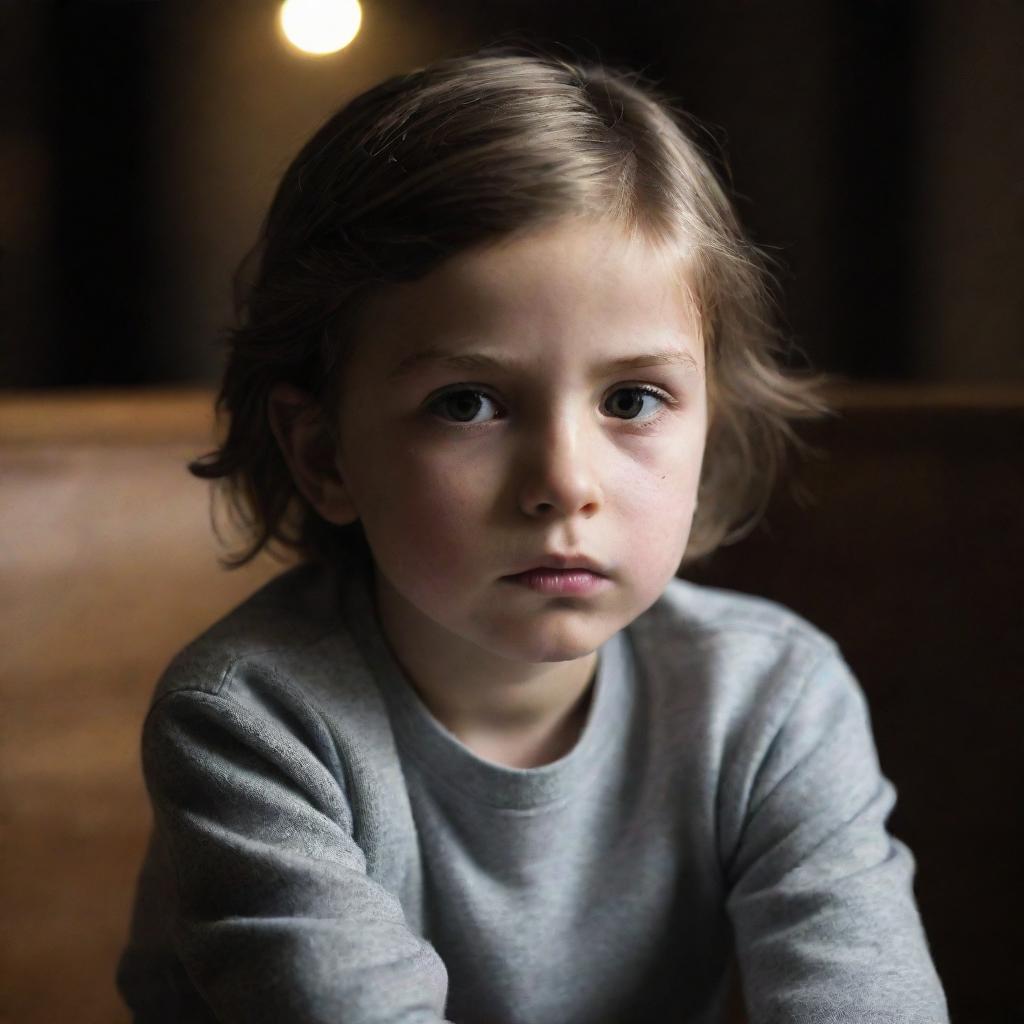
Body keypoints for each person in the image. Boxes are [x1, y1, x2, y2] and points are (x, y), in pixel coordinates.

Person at [115, 43, 949, 1024]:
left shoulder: (771, 699)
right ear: (325, 454)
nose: (564, 482)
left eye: (632, 397)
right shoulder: (251, 720)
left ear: (708, 422)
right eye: (467, 402)